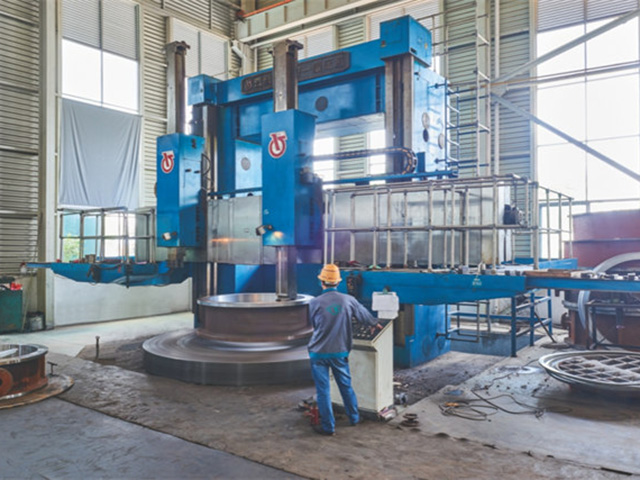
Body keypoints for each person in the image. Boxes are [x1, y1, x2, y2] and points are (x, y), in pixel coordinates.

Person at [307, 264, 381, 436]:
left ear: (322, 282)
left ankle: (328, 427)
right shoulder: (349, 300)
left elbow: (312, 324)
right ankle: (354, 418)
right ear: (337, 282)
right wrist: (374, 323)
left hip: (318, 352)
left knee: (323, 391)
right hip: (339, 351)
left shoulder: (314, 302)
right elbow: (365, 317)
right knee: (345, 386)